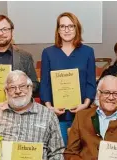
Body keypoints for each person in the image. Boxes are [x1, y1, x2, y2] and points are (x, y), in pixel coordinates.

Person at [40, 12, 96, 145]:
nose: (67, 30)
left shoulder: (88, 52)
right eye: (63, 26)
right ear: (58, 30)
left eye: (71, 26)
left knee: (82, 151)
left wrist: (86, 104)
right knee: (62, 151)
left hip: (82, 113)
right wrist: (49, 107)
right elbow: (45, 84)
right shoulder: (48, 53)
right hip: (58, 115)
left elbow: (91, 82)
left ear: (77, 29)